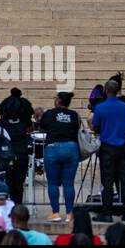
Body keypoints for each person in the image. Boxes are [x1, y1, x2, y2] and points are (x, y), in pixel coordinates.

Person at [91, 79, 125, 223]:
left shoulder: (100, 107)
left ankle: (107, 213)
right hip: (123, 146)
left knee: (107, 181)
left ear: (106, 90)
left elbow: (95, 125)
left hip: (107, 146)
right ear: (118, 90)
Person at [38, 91, 81, 221]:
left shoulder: (49, 113)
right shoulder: (75, 115)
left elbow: (42, 127)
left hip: (53, 149)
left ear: (58, 101)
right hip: (71, 148)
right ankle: (69, 214)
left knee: (53, 183)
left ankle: (56, 213)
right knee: (69, 183)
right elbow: (77, 128)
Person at [0, 87, 34, 203]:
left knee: (8, 181)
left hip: (7, 152)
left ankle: (8, 206)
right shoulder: (25, 121)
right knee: (19, 183)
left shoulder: (3, 121)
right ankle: (17, 205)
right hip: (21, 152)